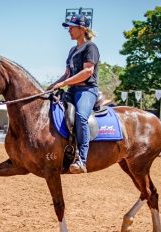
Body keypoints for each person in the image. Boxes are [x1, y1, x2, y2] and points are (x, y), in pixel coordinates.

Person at [48, 14, 100, 174]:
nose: (69, 30)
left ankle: (82, 160)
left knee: (81, 117)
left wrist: (64, 83)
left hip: (86, 90)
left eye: (72, 27)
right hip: (72, 89)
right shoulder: (72, 50)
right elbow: (67, 73)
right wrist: (52, 85)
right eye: (69, 27)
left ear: (82, 29)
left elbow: (87, 72)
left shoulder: (91, 47)